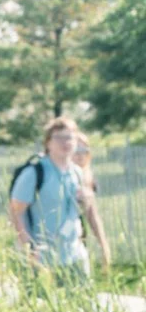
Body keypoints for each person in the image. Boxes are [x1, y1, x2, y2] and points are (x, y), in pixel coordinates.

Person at [10, 115, 109, 276]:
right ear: (48, 143)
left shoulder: (77, 173)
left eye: (70, 137)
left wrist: (103, 246)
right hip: (42, 259)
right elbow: (16, 211)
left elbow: (89, 212)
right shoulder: (35, 172)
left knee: (82, 300)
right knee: (40, 301)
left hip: (75, 256)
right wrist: (29, 248)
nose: (66, 142)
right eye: (59, 138)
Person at [74, 133, 113, 271]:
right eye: (76, 150)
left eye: (84, 151)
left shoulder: (87, 178)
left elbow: (92, 213)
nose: (80, 155)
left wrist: (103, 245)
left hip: (77, 240)